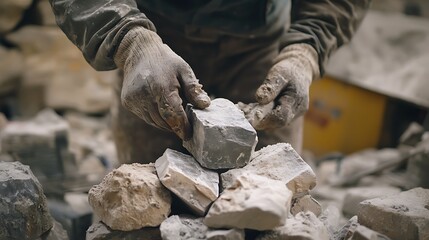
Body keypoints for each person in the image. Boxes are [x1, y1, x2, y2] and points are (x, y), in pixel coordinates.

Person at [49, 0, 371, 164]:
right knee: (145, 205)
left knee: (275, 200)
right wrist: (129, 41)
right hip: (154, 41)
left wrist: (306, 50)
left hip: (260, 47)